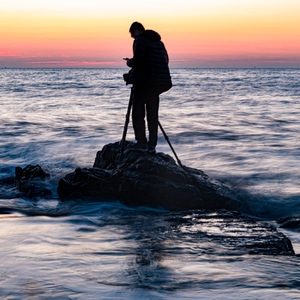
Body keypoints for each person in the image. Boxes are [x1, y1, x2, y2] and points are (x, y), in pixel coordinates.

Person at [124, 21, 172, 153]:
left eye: (132, 34)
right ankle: (152, 145)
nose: (132, 37)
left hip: (145, 82)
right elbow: (165, 60)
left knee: (137, 113)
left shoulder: (140, 40)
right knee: (152, 114)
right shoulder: (159, 43)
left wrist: (129, 62)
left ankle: (141, 142)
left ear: (137, 30)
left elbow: (139, 61)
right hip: (160, 82)